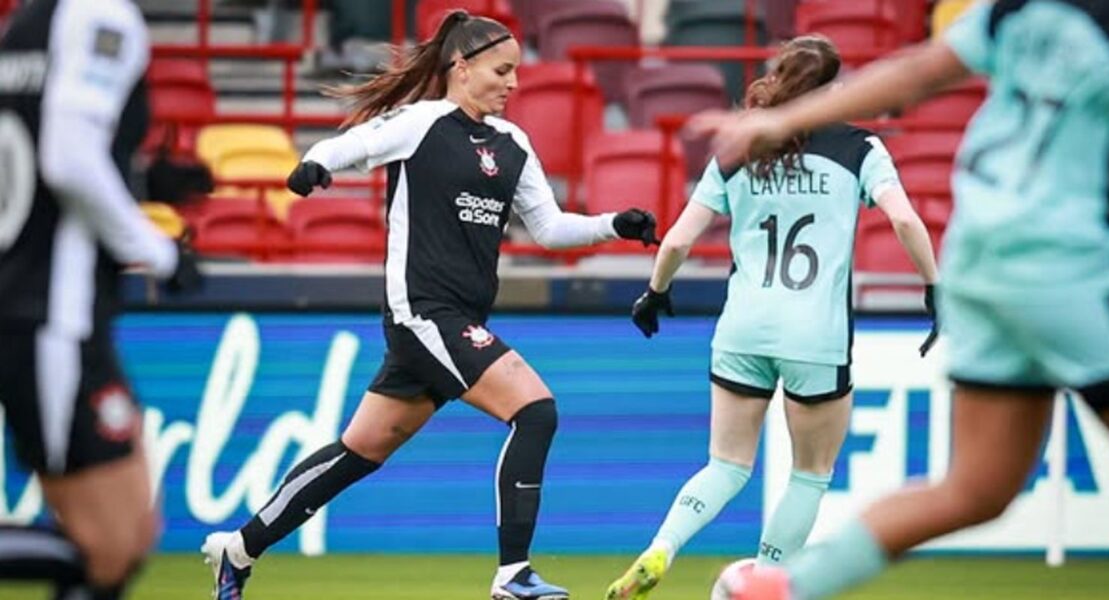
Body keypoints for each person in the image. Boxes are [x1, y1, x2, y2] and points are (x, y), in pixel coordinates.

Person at [690, 1, 1109, 599]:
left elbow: (918, 70)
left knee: (977, 488)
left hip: (978, 258)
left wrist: (779, 121)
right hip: (1070, 266)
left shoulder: (1021, 7)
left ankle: (782, 590)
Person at [200, 10, 659, 600]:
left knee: (359, 450)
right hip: (423, 313)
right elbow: (359, 141)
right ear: (461, 68)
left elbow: (547, 228)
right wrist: (317, 163)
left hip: (457, 320)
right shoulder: (422, 122)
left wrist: (612, 224)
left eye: (516, 71)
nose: (514, 82)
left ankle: (238, 549)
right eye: (502, 70)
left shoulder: (513, 144)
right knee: (536, 410)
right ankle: (513, 575)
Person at [603, 35, 940, 600]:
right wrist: (933, 286)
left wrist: (655, 293)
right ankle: (762, 584)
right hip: (815, 336)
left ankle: (661, 547)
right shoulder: (860, 148)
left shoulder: (739, 148)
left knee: (726, 466)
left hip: (743, 327)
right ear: (832, 90)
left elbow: (679, 239)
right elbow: (905, 221)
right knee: (810, 475)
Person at [0, 0, 201, 598]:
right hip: (52, 312)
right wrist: (159, 251)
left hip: (33, 301)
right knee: (110, 543)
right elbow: (68, 160)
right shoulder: (101, 15)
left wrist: (136, 183)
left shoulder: (25, 27)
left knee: (131, 532)